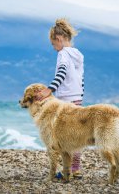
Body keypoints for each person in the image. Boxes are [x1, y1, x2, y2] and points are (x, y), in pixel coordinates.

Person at [36, 18, 84, 179]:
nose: (54, 48)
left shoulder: (63, 54)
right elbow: (81, 80)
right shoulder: (78, 55)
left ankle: (66, 170)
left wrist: (49, 90)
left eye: (53, 44)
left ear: (59, 39)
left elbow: (61, 73)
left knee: (64, 136)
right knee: (77, 136)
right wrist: (80, 98)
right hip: (77, 100)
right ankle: (75, 169)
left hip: (65, 101)